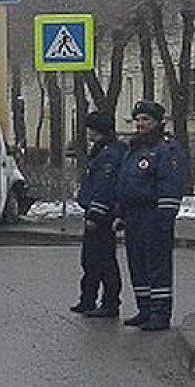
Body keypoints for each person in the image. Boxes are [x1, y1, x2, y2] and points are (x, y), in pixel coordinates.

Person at [116, 100, 186, 331]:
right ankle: (144, 309)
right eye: (137, 119)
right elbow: (126, 184)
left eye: (145, 119)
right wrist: (121, 214)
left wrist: (164, 219)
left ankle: (160, 314)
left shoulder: (167, 150)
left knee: (157, 267)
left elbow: (170, 185)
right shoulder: (133, 149)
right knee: (137, 264)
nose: (140, 124)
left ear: (157, 123)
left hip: (154, 215)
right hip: (134, 216)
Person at [70, 111, 126, 317]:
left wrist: (95, 214)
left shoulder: (110, 154)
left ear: (99, 130)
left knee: (102, 260)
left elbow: (105, 187)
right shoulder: (103, 150)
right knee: (91, 259)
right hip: (98, 212)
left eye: (91, 129)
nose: (89, 133)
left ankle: (109, 303)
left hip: (101, 216)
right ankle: (88, 299)